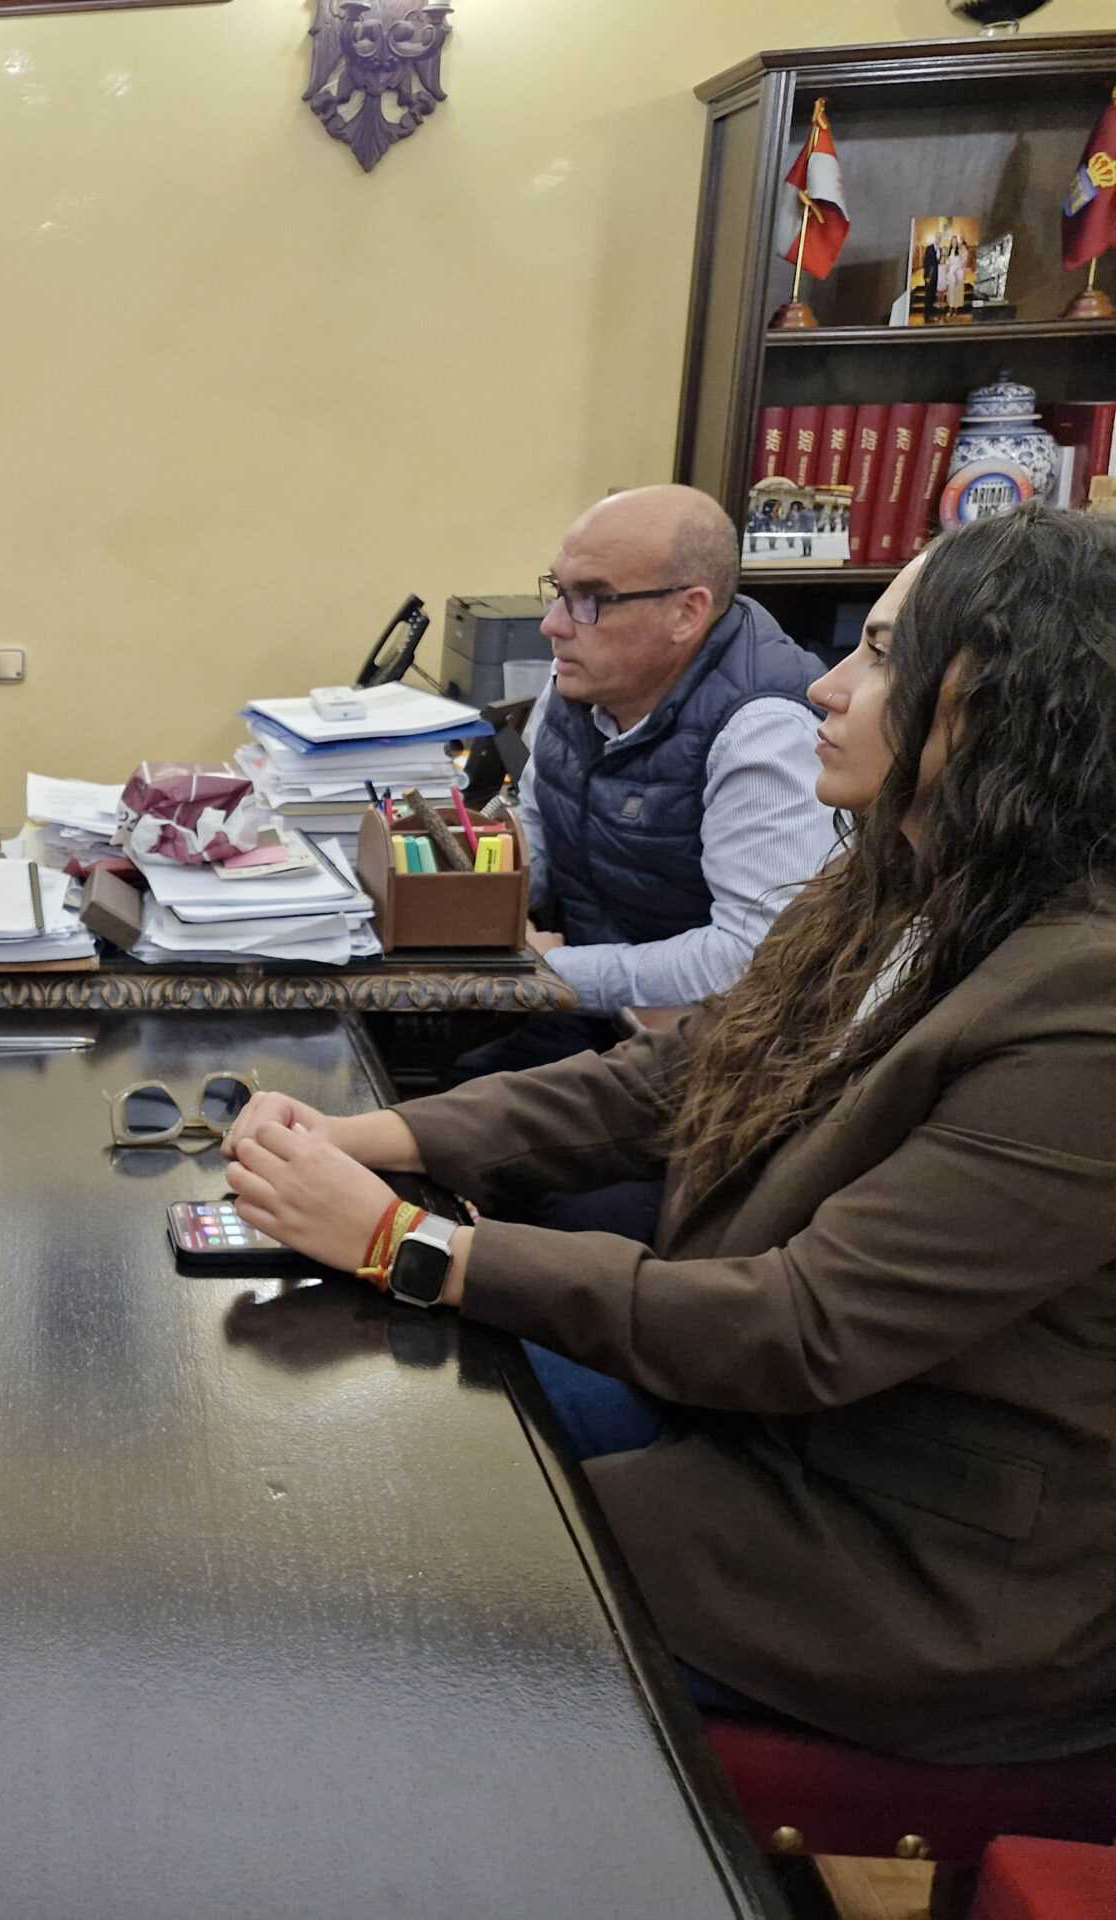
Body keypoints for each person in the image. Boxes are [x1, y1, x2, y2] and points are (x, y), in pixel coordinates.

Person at [224, 504, 1116, 1765]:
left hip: (917, 1569)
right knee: (364, 1441)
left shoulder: (1085, 1010)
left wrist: (410, 1248)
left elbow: (804, 1324)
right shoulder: (906, 878)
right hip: (766, 1440)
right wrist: (375, 1136)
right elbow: (674, 1076)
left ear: (1013, 701)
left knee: (385, 1561)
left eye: (880, 654)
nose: (826, 685)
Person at [484, 483, 835, 1075]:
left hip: (706, 1053)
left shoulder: (763, 730)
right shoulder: (584, 675)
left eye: (590, 599)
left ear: (687, 612)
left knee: (453, 1117)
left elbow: (750, 957)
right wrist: (472, 898)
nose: (553, 624)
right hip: (591, 1014)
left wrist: (550, 971)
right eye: (559, 591)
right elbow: (542, 826)